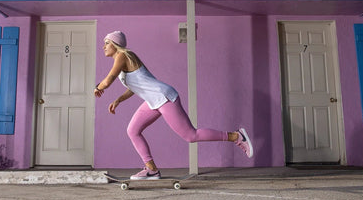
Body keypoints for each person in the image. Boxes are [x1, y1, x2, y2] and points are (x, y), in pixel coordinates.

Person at [94, 30, 254, 180]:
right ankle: (151, 169)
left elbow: (108, 80)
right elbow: (135, 88)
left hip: (163, 96)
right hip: (153, 101)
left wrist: (97, 87)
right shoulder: (123, 63)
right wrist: (118, 100)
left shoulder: (123, 55)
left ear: (115, 44)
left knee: (191, 136)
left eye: (106, 43)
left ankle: (236, 136)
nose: (104, 46)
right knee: (133, 130)